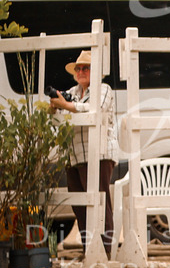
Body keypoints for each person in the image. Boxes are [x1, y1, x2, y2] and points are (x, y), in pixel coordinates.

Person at [49, 50, 118, 257]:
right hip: (75, 154)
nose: (81, 71)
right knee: (79, 206)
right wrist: (55, 106)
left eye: (85, 68)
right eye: (78, 68)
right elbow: (58, 117)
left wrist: (66, 105)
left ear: (95, 71)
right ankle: (90, 250)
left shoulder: (104, 89)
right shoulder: (72, 91)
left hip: (98, 153)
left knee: (100, 202)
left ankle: (104, 252)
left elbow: (94, 109)